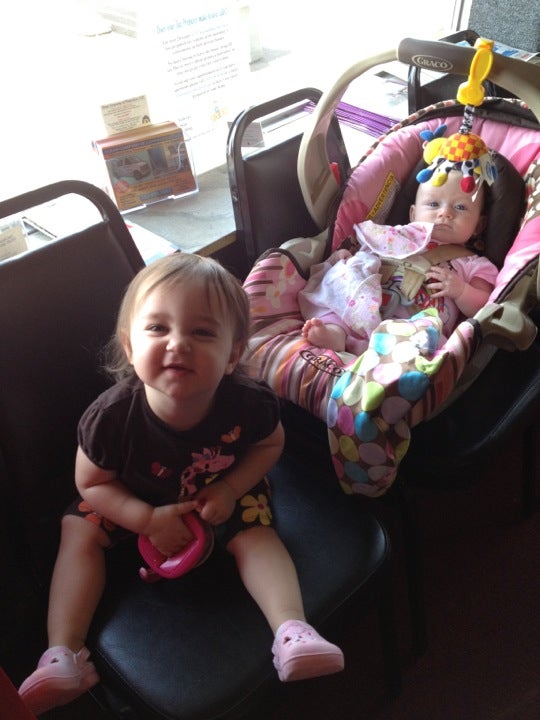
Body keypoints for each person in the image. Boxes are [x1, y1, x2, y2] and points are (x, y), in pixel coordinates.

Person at [18, 253, 344, 715]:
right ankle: (63, 653)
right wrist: (145, 519)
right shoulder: (109, 418)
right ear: (130, 345)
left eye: (203, 332)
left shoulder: (249, 403)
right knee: (78, 530)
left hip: (220, 490)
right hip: (131, 495)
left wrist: (231, 489)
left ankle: (292, 630)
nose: (178, 344)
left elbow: (271, 445)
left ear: (233, 355)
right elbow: (91, 483)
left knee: (256, 532)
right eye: (157, 328)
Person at [300, 169, 499, 355]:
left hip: (414, 328)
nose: (445, 213)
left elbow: (484, 306)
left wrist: (462, 291)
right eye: (433, 204)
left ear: (478, 225)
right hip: (365, 307)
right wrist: (348, 259)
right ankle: (337, 332)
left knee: (429, 336)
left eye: (460, 207)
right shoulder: (394, 236)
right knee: (343, 278)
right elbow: (368, 257)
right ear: (413, 214)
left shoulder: (473, 263)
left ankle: (370, 350)